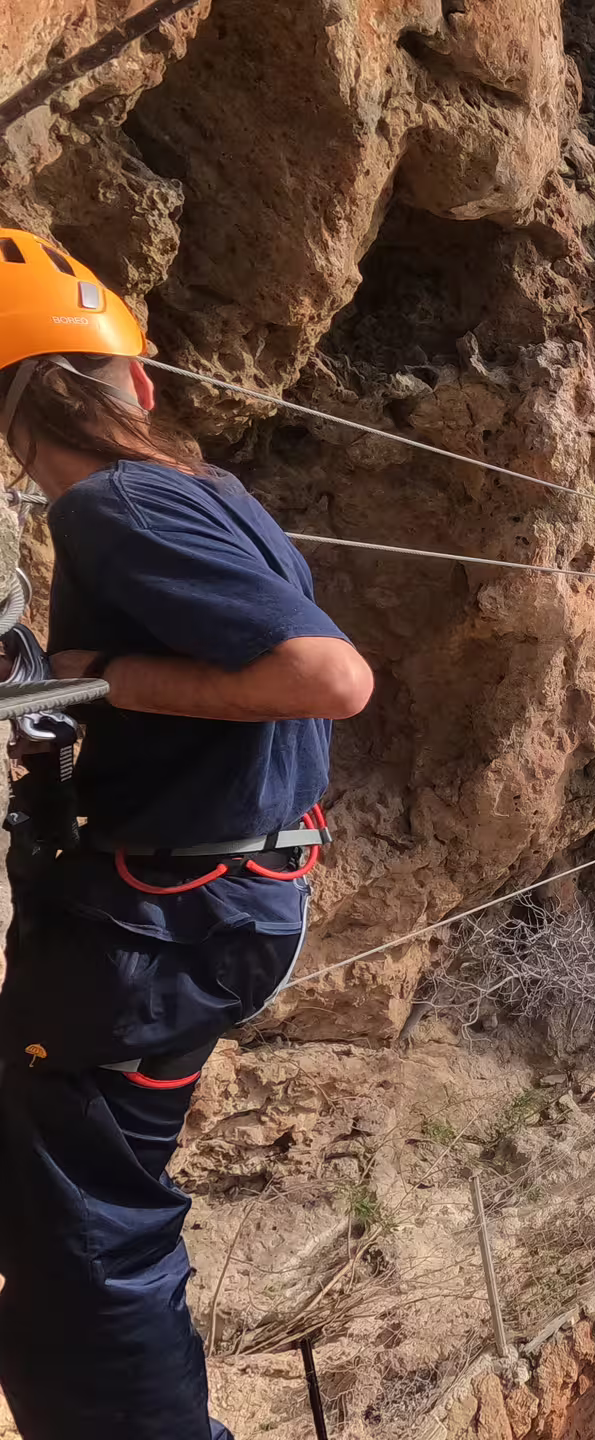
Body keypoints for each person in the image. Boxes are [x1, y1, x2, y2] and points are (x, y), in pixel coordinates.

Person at [0, 231, 373, 1439]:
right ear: (138, 385)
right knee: (82, 1192)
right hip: (218, 906)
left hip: (161, 926)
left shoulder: (113, 505)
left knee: (86, 1234)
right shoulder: (214, 495)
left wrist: (101, 677)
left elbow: (328, 675)